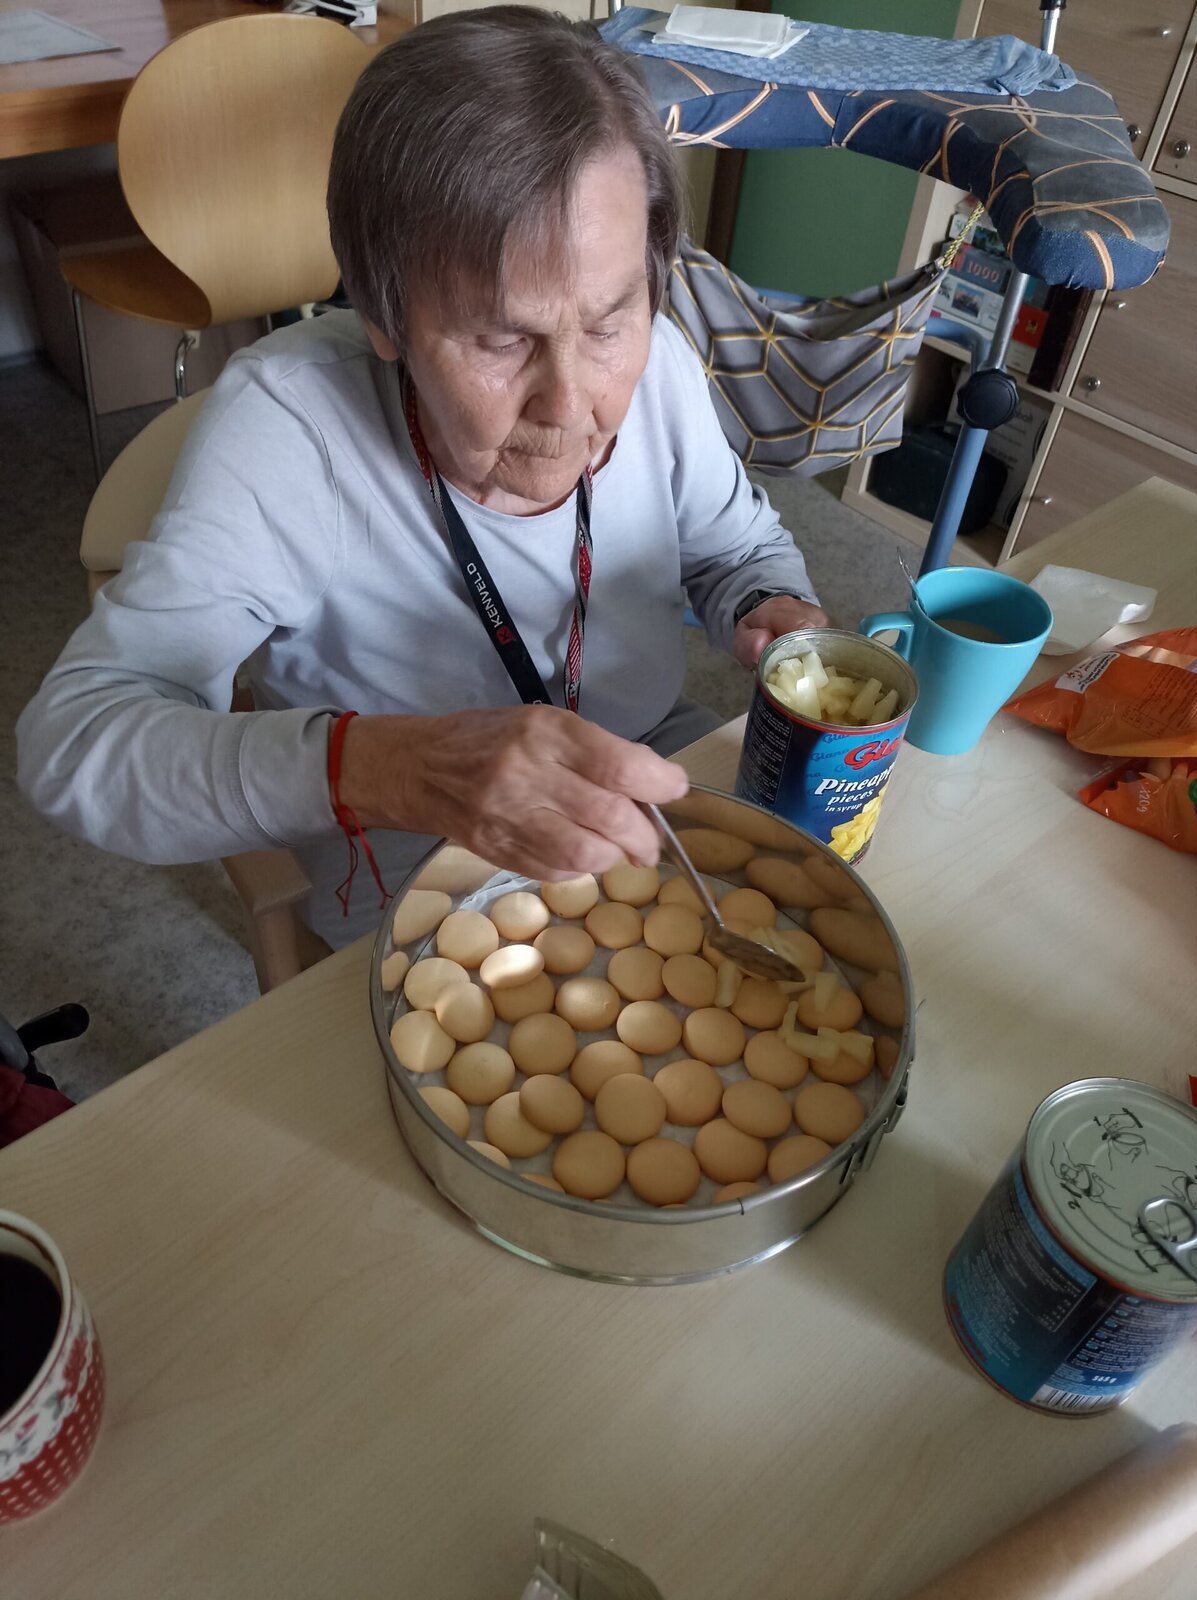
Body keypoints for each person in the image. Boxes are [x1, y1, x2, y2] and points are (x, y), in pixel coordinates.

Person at [16, 6, 827, 950]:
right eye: (502, 340)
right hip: (413, 849)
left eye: (609, 323)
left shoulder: (663, 369)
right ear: (383, 316)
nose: (571, 405)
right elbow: (74, 744)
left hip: (641, 767)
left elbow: (736, 547)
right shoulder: (292, 430)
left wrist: (765, 600)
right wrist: (396, 768)